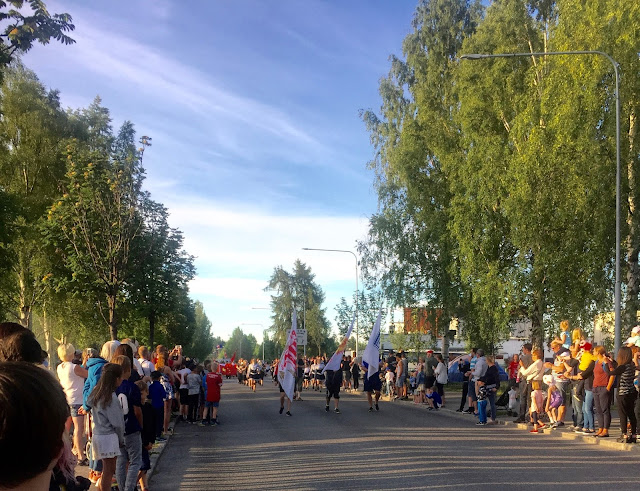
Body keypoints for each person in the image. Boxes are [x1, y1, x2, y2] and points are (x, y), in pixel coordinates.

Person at [89, 363, 125, 491]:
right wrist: (121, 439)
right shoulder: (111, 397)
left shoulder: (96, 393)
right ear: (116, 379)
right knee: (109, 470)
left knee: (106, 469)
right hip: (109, 436)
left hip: (98, 434)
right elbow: (117, 423)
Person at [113, 355, 143, 491]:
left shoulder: (112, 388)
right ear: (127, 370)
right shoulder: (132, 387)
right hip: (131, 426)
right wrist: (140, 425)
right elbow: (137, 411)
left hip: (117, 429)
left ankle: (121, 487)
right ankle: (129, 488)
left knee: (120, 461)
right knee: (135, 461)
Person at [57, 343, 89, 465]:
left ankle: (66, 453)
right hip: (77, 400)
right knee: (78, 429)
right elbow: (87, 374)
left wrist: (83, 364)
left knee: (66, 429)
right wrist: (85, 364)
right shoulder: (74, 367)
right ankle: (80, 454)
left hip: (66, 399)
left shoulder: (60, 367)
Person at [605, 346, 637, 442]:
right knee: (631, 414)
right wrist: (612, 362)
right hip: (631, 392)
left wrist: (607, 363)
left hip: (622, 393)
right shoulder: (631, 365)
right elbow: (618, 368)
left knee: (623, 414)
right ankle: (634, 435)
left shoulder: (622, 367)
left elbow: (610, 373)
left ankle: (624, 434)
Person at [135, 380, 155, 491]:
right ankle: (132, 484)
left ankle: (144, 486)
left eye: (142, 393)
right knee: (144, 464)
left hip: (146, 438)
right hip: (140, 439)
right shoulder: (137, 407)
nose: (140, 396)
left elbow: (151, 425)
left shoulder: (148, 407)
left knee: (143, 465)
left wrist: (152, 440)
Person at [591, 345, 615, 438]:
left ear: (598, 352)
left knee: (605, 409)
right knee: (598, 409)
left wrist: (608, 387)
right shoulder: (597, 362)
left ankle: (606, 429)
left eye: (594, 351)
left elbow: (612, 374)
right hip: (596, 387)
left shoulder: (606, 362)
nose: (593, 352)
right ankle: (600, 428)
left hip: (604, 386)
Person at [203, 361, 223, 425]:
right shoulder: (218, 376)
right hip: (216, 393)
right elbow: (220, 384)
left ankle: (204, 419)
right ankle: (214, 420)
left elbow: (206, 383)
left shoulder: (207, 375)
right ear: (217, 368)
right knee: (215, 407)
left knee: (206, 407)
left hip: (209, 393)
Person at [148, 370, 166, 439]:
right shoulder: (160, 386)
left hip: (152, 405)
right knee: (160, 420)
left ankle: (154, 434)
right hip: (160, 405)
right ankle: (158, 434)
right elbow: (164, 395)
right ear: (159, 378)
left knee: (153, 420)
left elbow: (149, 396)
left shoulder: (150, 386)